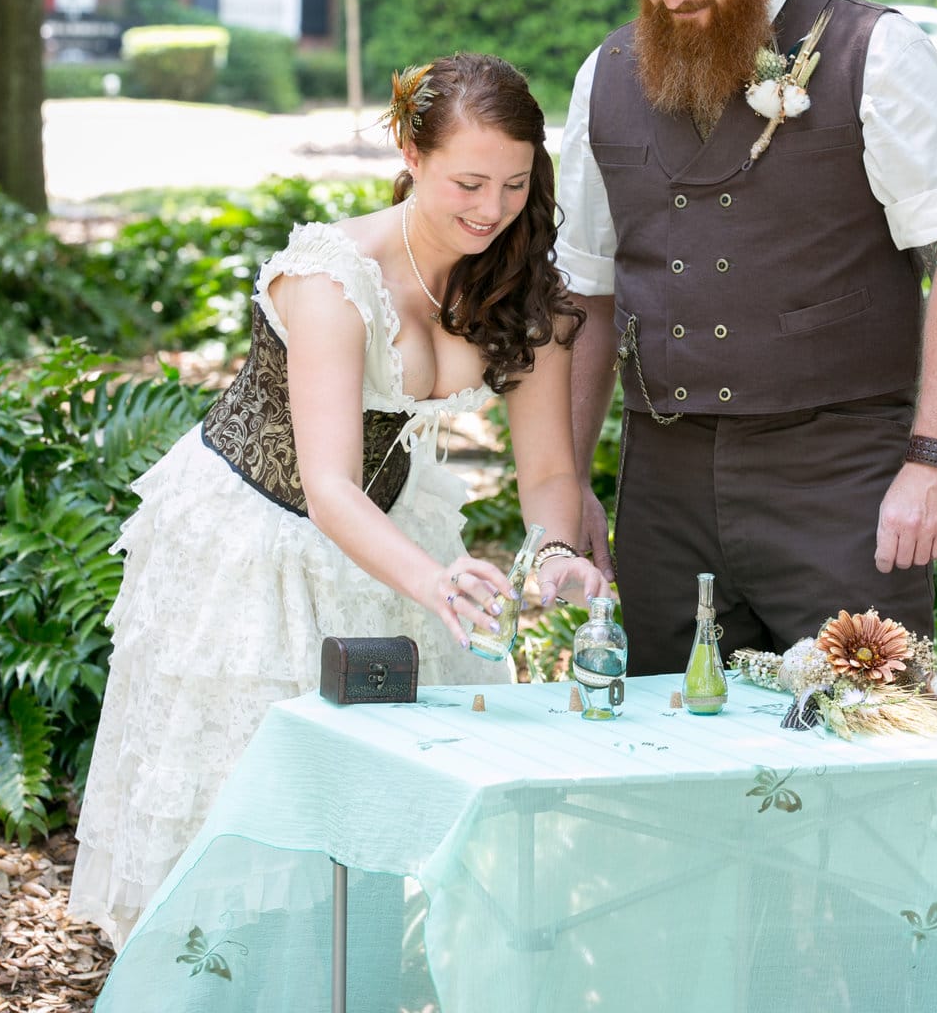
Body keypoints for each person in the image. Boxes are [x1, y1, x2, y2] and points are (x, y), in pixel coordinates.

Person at [71, 52, 605, 949]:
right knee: (248, 817)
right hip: (259, 536)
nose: (491, 208)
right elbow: (326, 487)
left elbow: (550, 473)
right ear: (409, 150)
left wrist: (553, 550)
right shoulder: (329, 279)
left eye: (515, 184)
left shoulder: (520, 288)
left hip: (393, 527)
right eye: (469, 182)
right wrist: (436, 585)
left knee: (373, 838)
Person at [556, 0, 937, 676]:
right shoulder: (600, 78)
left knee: (868, 762)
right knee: (659, 760)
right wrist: (565, 486)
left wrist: (935, 459)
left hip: (840, 481)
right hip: (664, 491)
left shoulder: (877, 53)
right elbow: (584, 298)